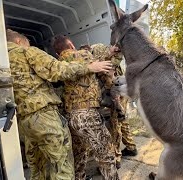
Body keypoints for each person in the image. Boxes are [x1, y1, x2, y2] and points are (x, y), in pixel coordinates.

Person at [6, 29, 112, 180]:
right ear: (18, 41)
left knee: (37, 168)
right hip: (43, 116)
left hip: (23, 122)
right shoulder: (26, 52)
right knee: (62, 166)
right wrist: (90, 67)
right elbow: (57, 70)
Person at [52, 35, 119, 180]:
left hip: (69, 117)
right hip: (87, 114)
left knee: (79, 155)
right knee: (106, 154)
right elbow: (102, 68)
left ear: (58, 52)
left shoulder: (57, 63)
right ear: (71, 45)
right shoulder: (83, 54)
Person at [91, 43, 138, 169]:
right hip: (120, 92)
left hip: (115, 94)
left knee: (115, 126)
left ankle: (116, 158)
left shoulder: (107, 63)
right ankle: (131, 146)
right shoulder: (114, 60)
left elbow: (109, 80)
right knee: (123, 121)